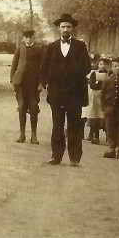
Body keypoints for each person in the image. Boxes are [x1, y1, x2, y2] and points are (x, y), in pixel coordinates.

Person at [40, 14, 91, 166]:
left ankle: (75, 158)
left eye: (68, 27)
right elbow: (43, 68)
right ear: (58, 28)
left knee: (74, 126)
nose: (65, 29)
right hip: (57, 93)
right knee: (57, 125)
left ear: (72, 28)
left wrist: (73, 74)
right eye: (63, 27)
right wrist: (46, 83)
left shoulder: (80, 46)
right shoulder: (51, 47)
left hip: (75, 93)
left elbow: (87, 67)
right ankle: (56, 156)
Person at [8, 28, 44, 143]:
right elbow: (14, 64)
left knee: (33, 108)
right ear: (23, 38)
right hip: (20, 83)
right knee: (22, 107)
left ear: (34, 38)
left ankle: (34, 135)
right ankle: (22, 134)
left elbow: (43, 67)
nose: (28, 39)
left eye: (30, 37)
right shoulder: (20, 48)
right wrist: (12, 80)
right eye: (26, 37)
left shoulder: (39, 49)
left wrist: (41, 83)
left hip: (33, 84)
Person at [95, 56, 119, 159]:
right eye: (115, 66)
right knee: (110, 129)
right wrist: (104, 108)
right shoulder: (107, 80)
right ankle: (111, 148)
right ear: (112, 67)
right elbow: (103, 95)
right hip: (110, 109)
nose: (117, 68)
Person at [85, 56, 111, 144]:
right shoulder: (94, 74)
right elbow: (92, 85)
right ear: (98, 65)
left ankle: (109, 138)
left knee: (105, 117)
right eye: (100, 64)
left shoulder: (109, 74)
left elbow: (109, 86)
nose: (102, 66)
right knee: (95, 116)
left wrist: (103, 87)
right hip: (95, 98)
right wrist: (100, 85)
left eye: (104, 64)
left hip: (105, 98)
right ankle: (96, 136)